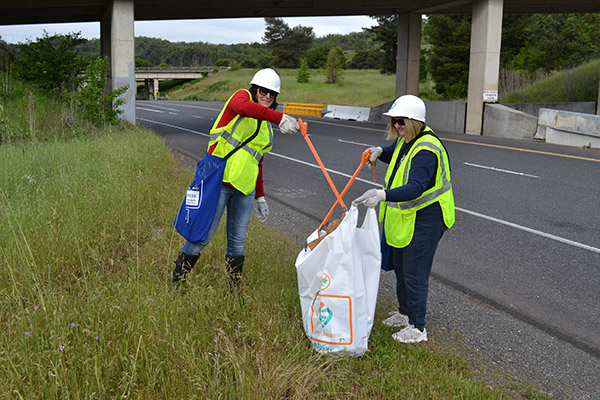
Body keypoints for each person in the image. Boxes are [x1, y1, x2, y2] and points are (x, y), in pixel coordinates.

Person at [172, 68, 300, 290]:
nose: (268, 96)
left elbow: (257, 162)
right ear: (254, 89)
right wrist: (280, 118)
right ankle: (177, 282)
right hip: (218, 182)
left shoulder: (266, 129)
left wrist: (260, 197)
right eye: (263, 90)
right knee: (203, 235)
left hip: (245, 189)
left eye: (272, 93)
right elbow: (244, 107)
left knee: (237, 241)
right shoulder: (240, 98)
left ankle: (234, 289)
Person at [353, 95, 455, 343]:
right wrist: (379, 152)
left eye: (401, 121)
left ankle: (418, 327)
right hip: (408, 216)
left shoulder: (426, 150)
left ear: (415, 121)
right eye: (394, 121)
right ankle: (404, 312)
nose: (397, 126)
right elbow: (396, 153)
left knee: (414, 272)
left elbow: (416, 187)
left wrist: (382, 195)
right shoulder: (408, 140)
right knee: (400, 266)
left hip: (428, 217)